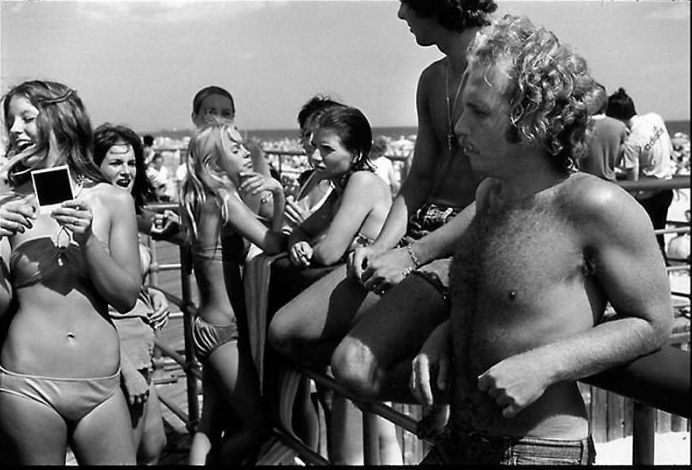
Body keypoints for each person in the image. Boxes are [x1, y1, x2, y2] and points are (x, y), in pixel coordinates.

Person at [406, 14, 673, 464]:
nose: (458, 129)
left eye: (478, 111)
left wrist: (545, 365)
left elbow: (653, 323)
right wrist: (446, 334)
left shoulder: (595, 206)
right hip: (460, 436)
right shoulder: (491, 193)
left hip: (538, 450)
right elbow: (505, 298)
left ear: (530, 119)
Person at [268, 0, 497, 416]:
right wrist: (382, 248)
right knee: (284, 332)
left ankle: (458, 390)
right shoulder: (432, 79)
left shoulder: (503, 72)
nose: (401, 14)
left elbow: (497, 194)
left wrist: (410, 256)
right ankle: (436, 367)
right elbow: (420, 178)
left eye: (408, 3)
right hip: (420, 236)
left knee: (353, 369)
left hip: (466, 247)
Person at [0, 80, 141, 464]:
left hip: (102, 386)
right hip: (27, 384)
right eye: (10, 122)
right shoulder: (9, 204)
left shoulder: (114, 200)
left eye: (26, 118)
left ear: (60, 120)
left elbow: (127, 297)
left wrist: (89, 244)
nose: (14, 131)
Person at [268, 105, 395, 465]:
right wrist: (299, 243)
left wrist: (308, 246)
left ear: (354, 153)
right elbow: (305, 232)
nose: (315, 156)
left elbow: (328, 251)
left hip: (371, 292)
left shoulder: (362, 182)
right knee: (366, 419)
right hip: (357, 293)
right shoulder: (344, 185)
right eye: (314, 147)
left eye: (326, 149)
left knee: (283, 335)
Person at [179, 122, 286, 464]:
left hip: (207, 324)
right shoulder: (224, 197)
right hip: (225, 333)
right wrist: (279, 193)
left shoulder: (198, 195)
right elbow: (271, 241)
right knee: (259, 427)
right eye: (236, 147)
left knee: (210, 423)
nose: (245, 151)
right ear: (214, 163)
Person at [93, 123, 170, 465]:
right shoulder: (94, 217)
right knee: (128, 454)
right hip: (119, 350)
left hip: (140, 343)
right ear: (95, 164)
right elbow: (87, 300)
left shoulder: (125, 212)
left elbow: (122, 281)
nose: (126, 172)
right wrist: (125, 369)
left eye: (132, 163)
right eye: (115, 163)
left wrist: (152, 292)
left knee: (154, 445)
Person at [606, 87, 675, 258]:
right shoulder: (654, 118)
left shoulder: (633, 142)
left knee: (647, 244)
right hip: (667, 186)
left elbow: (633, 181)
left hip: (648, 195)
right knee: (659, 238)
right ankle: (664, 270)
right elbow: (669, 148)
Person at [581, 83, 628, 182]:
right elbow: (618, 160)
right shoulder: (620, 127)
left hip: (584, 184)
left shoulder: (579, 127)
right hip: (610, 184)